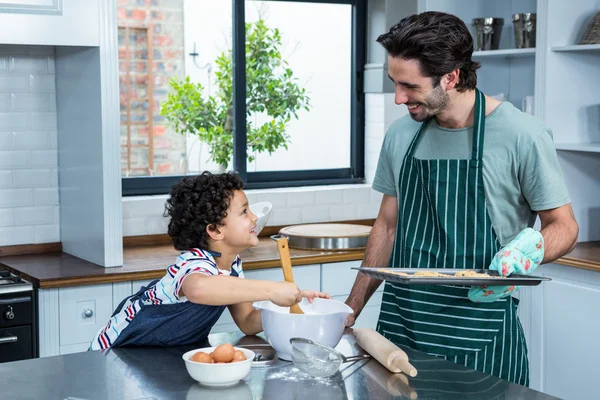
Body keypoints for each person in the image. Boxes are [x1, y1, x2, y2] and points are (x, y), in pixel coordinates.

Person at [344, 12, 578, 386]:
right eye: (394, 83)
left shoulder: (522, 135)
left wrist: (528, 253)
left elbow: (563, 226)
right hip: (399, 330)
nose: (398, 98)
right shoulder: (401, 135)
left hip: (479, 336)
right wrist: (350, 310)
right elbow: (387, 226)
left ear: (451, 76)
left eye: (409, 86)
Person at [90, 171, 329, 350]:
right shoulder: (193, 264)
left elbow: (247, 321)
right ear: (215, 230)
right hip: (113, 352)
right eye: (244, 211)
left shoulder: (232, 264)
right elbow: (199, 288)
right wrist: (271, 289)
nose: (255, 217)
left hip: (155, 355)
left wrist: (287, 303)